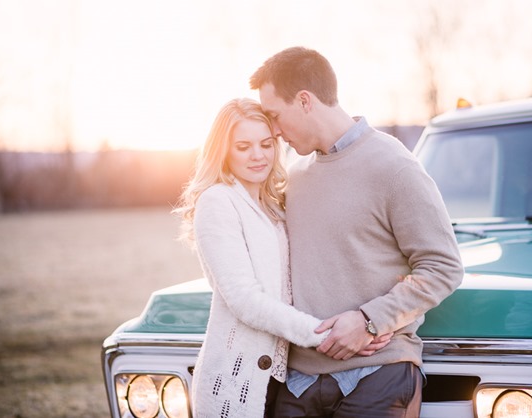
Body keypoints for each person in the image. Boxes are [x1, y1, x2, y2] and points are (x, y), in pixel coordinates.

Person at [249, 46, 465, 417]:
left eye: (274, 116)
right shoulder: (294, 177)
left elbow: (443, 267)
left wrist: (368, 320)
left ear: (304, 100)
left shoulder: (395, 167)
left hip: (378, 372)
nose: (274, 130)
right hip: (298, 381)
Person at [175, 98, 389, 418]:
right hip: (236, 382)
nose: (258, 155)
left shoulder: (273, 203)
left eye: (266, 143)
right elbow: (245, 300)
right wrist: (326, 335)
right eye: (243, 146)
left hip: (283, 380)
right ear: (223, 150)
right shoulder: (217, 201)